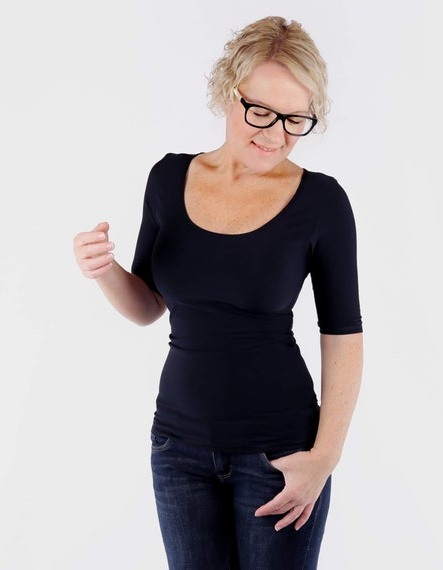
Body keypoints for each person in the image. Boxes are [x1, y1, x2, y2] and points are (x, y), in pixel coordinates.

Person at [73, 16, 363, 570]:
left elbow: (343, 334)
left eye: (295, 119)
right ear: (227, 91)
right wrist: (104, 271)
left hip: (280, 455)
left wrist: (324, 458)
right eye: (260, 111)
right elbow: (148, 307)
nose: (275, 134)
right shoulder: (168, 179)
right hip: (177, 450)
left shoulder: (322, 202)